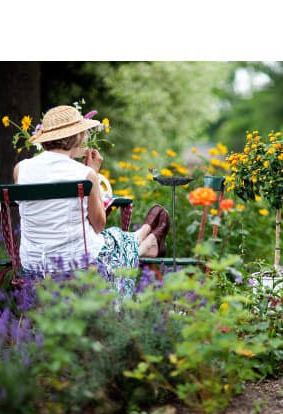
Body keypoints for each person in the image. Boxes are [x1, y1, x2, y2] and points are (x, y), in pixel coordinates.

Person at [13, 105, 170, 296]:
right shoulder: (84, 174)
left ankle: (145, 238)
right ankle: (145, 241)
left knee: (110, 240)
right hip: (76, 264)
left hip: (33, 265)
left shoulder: (21, 169)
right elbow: (98, 226)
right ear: (77, 137)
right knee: (112, 237)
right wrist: (93, 174)